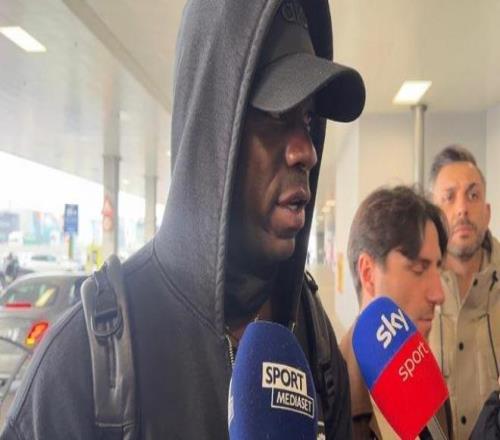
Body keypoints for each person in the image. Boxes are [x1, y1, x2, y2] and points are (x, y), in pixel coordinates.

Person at [0, 0, 365, 439]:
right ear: (214, 131)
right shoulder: (81, 368)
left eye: (307, 119)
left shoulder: (312, 332)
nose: (306, 150)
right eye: (276, 115)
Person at [339, 186, 453, 439]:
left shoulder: (429, 383)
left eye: (438, 269)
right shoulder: (326, 397)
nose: (439, 294)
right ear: (368, 273)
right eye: (419, 269)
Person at [428, 145, 500, 439]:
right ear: (433, 213)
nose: (462, 209)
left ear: (487, 212)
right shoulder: (412, 294)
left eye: (473, 195)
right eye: (449, 197)